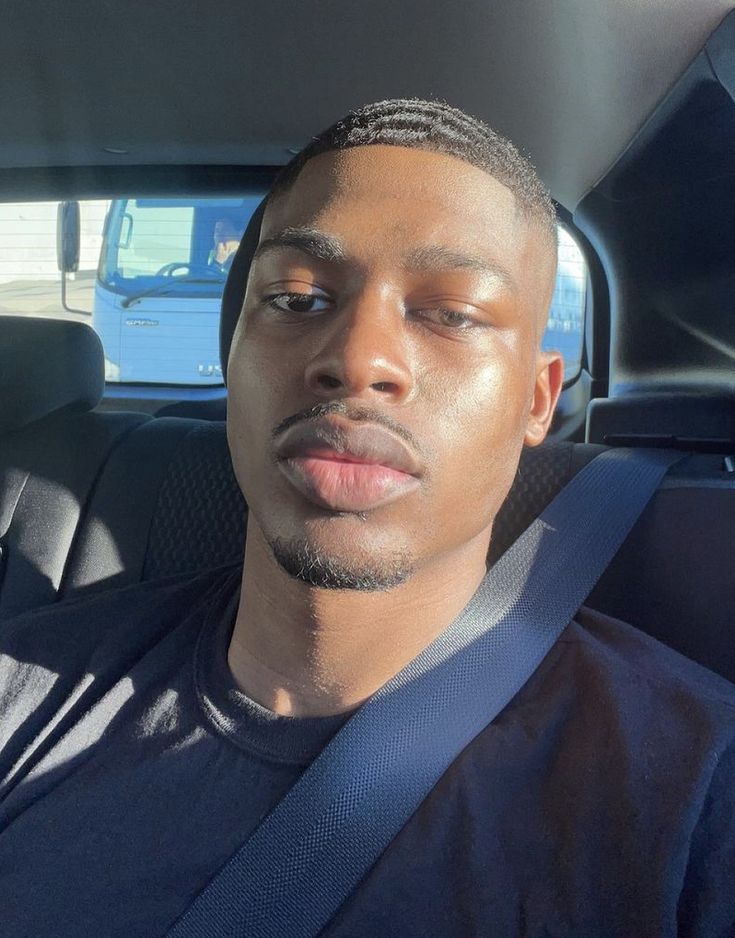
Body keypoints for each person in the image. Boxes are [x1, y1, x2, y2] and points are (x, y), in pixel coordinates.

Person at [0, 99, 733, 937]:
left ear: (536, 401)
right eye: (295, 298)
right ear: (232, 355)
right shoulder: (23, 687)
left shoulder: (697, 798)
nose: (356, 359)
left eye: (451, 313)